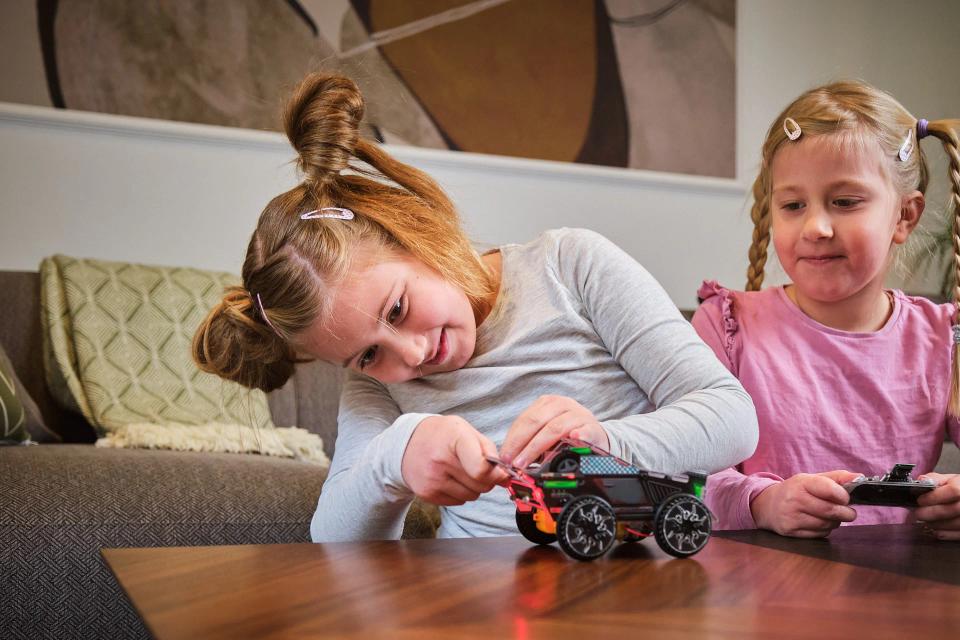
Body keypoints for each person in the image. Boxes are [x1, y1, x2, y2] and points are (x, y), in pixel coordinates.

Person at [193, 73, 758, 541]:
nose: (410, 355)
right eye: (369, 354)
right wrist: (397, 457)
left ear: (420, 234)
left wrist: (608, 443)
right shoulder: (378, 387)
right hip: (484, 603)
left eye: (395, 310)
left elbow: (732, 418)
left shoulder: (569, 266)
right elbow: (335, 542)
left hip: (644, 576)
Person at [692, 80, 960, 540]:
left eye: (844, 202)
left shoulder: (945, 337)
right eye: (793, 205)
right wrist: (762, 502)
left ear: (904, 216)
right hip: (753, 590)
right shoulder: (725, 326)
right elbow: (680, 478)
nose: (815, 226)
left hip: (899, 593)